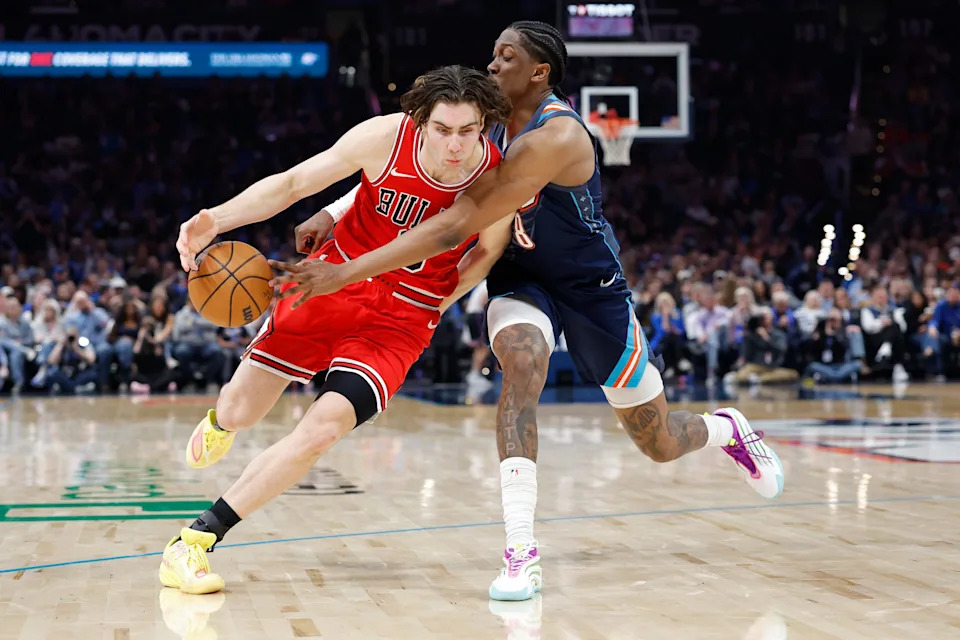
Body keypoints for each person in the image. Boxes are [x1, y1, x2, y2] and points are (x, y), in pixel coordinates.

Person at [282, 21, 784, 602]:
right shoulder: (482, 122)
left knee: (660, 442)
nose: (492, 66)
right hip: (521, 276)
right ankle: (521, 551)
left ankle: (727, 429)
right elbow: (421, 175)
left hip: (591, 288)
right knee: (523, 368)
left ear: (539, 72)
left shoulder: (558, 137)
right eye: (492, 54)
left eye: (506, 57)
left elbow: (451, 225)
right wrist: (338, 211)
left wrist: (342, 272)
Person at [162, 65, 514, 594]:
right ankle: (222, 420)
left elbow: (486, 252)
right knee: (241, 410)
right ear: (419, 121)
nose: (457, 144)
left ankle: (195, 541)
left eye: (468, 131)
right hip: (327, 281)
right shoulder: (383, 137)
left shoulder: (496, 178)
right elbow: (293, 183)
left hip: (400, 319)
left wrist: (436, 303)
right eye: (443, 129)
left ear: (482, 125)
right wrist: (218, 218)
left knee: (321, 431)